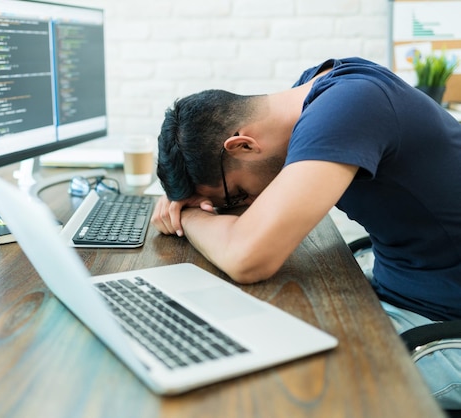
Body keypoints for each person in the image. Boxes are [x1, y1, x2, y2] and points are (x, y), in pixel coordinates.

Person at [150, 57, 461, 408]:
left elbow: (247, 257)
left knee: (283, 392)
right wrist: (201, 200)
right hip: (407, 290)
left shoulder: (349, 107)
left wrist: (189, 217)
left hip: (441, 324)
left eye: (235, 195)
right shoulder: (316, 91)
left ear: (243, 146)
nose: (241, 206)